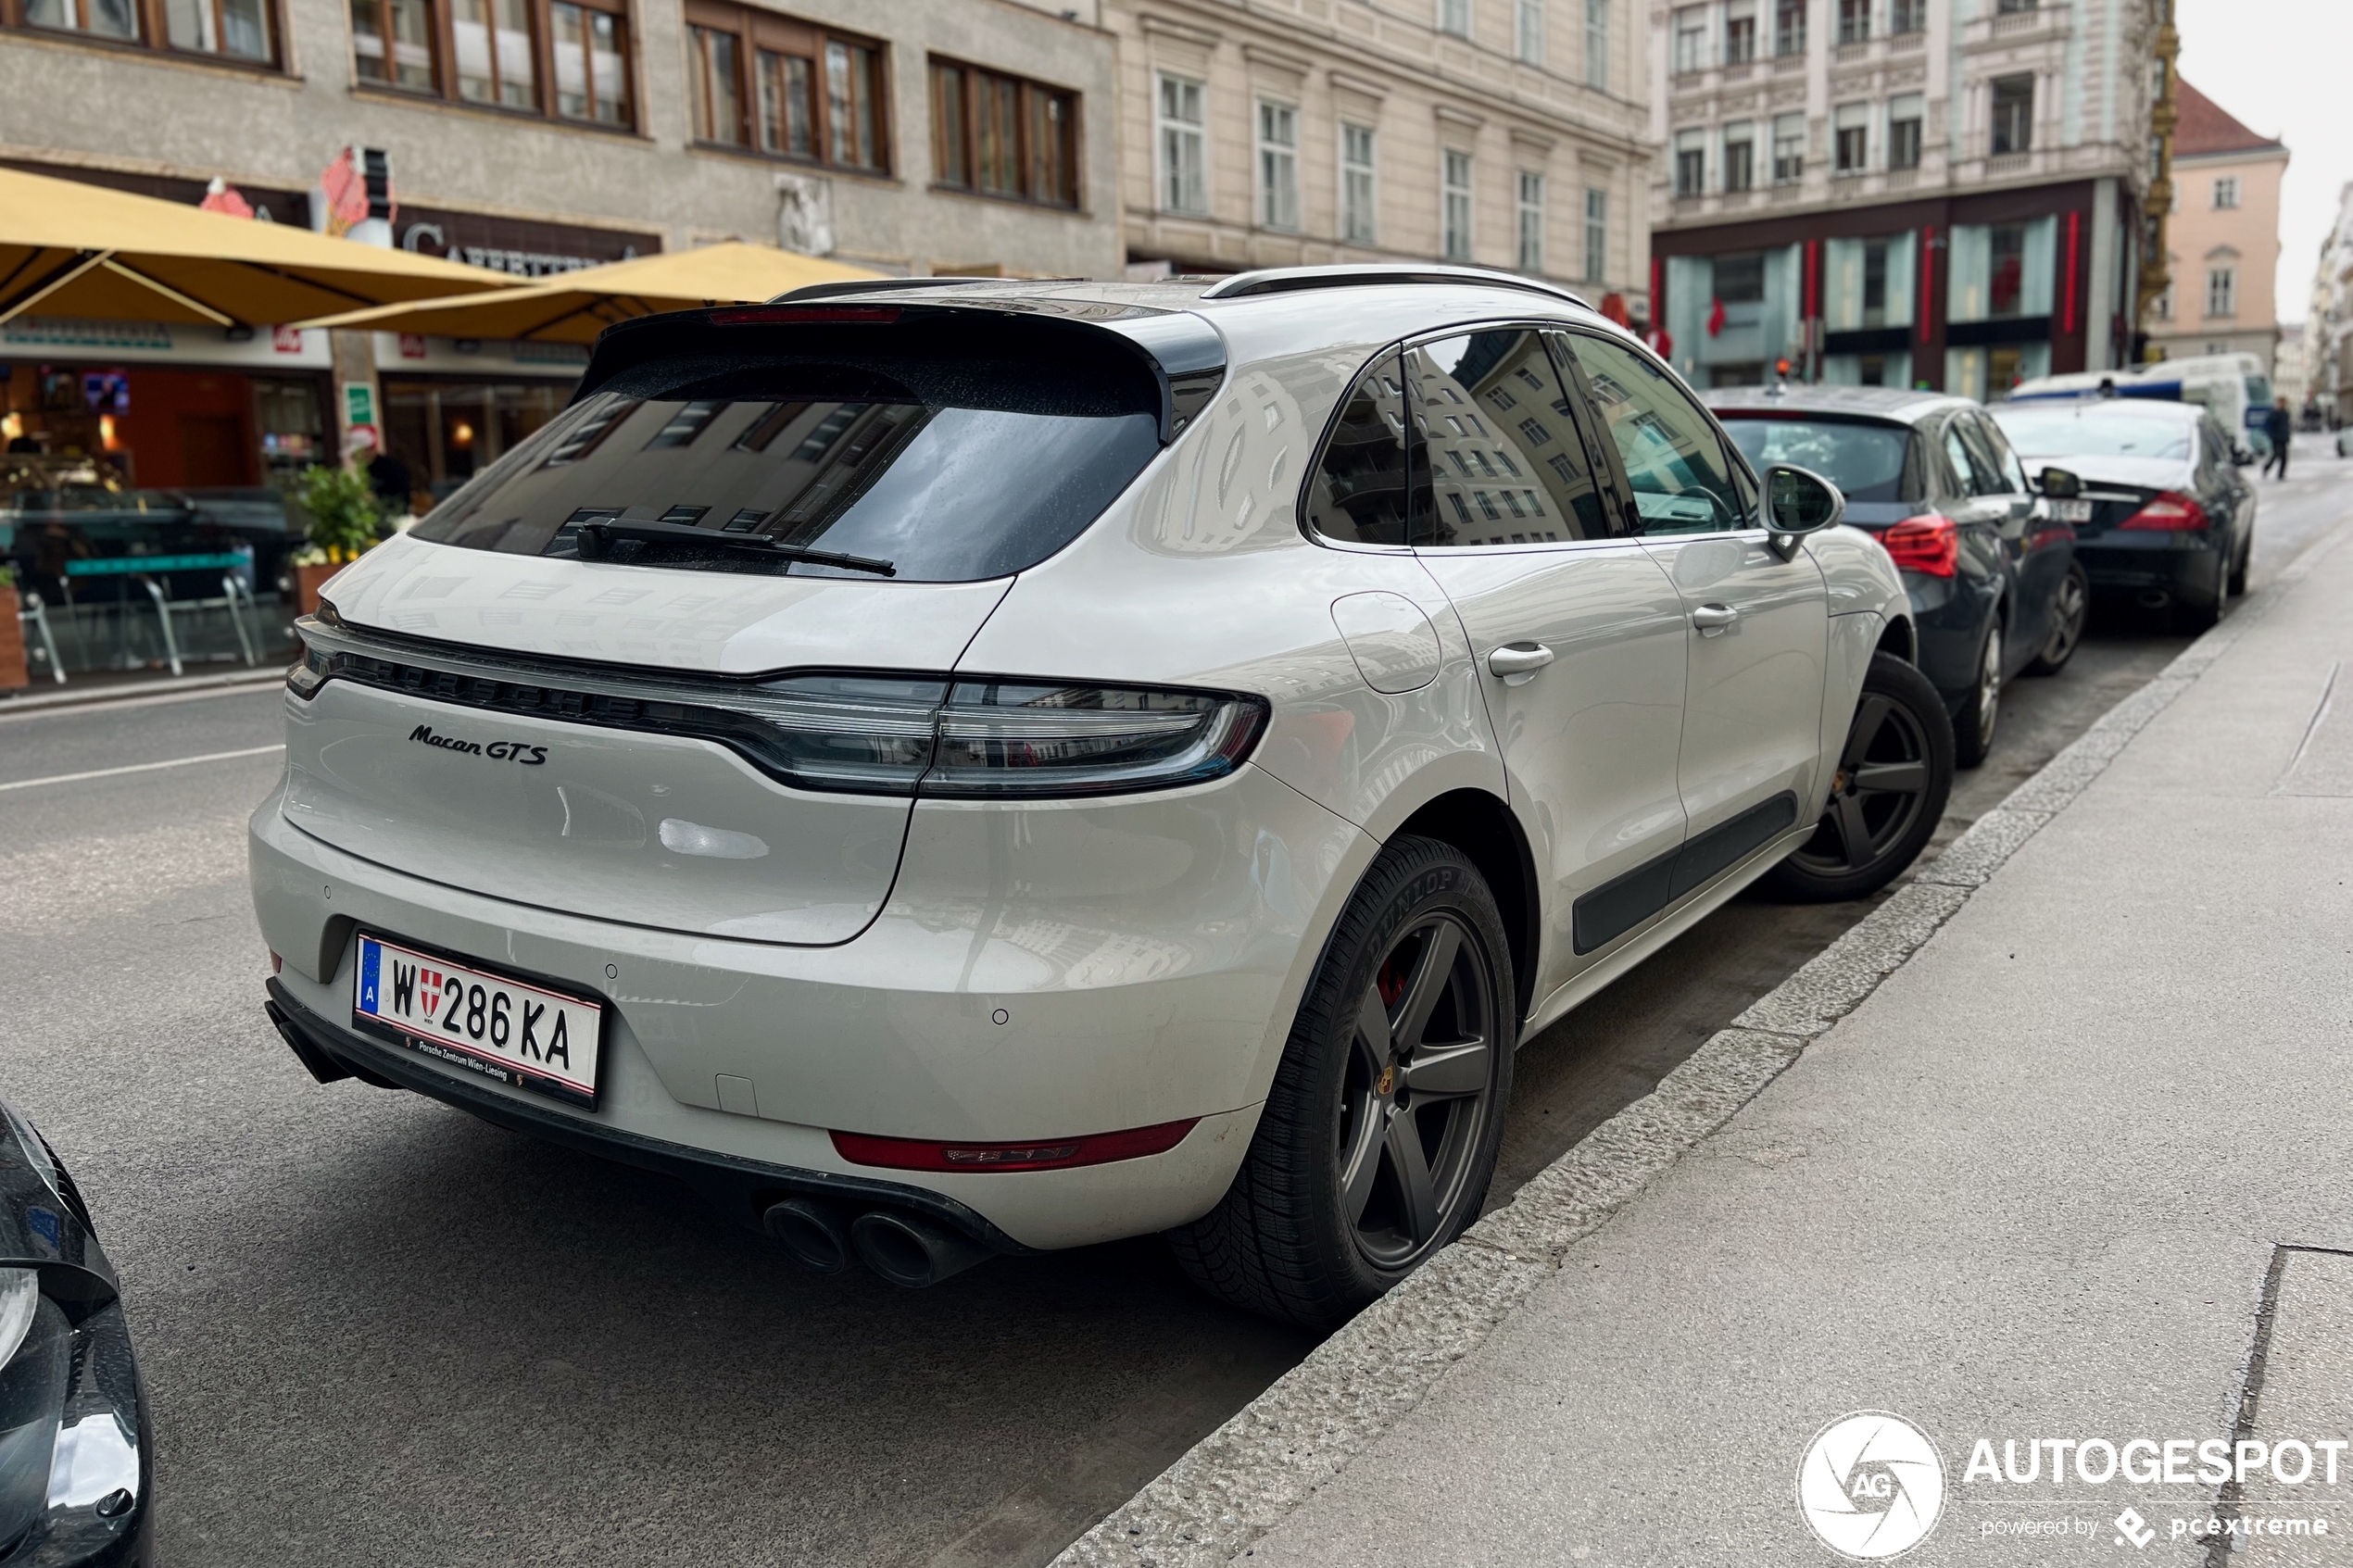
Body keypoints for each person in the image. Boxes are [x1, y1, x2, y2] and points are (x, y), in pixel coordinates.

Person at [2263, 397, 2293, 480]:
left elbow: (2287, 426)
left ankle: (2281, 474)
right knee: (2276, 454)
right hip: (2276, 438)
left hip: (2283, 438)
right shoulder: (2274, 414)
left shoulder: (2285, 413)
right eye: (2281, 403)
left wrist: (2287, 436)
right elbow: (2267, 425)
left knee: (2284, 457)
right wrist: (2272, 435)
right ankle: (2266, 467)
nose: (2282, 404)